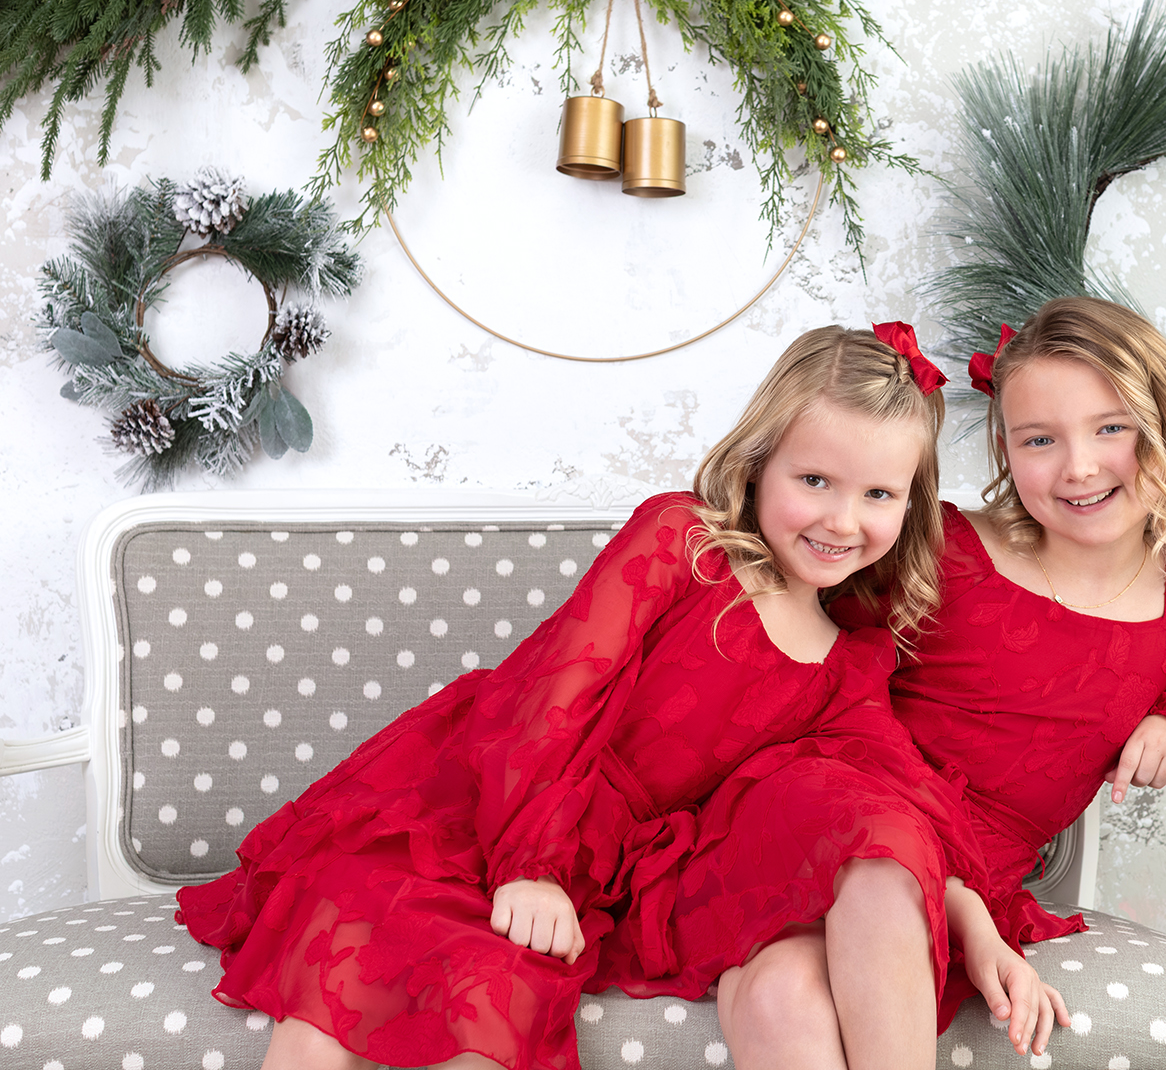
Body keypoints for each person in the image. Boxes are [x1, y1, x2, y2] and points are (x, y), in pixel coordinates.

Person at [176, 323, 1007, 1070]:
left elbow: (897, 791)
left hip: (594, 880)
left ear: (911, 505)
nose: (841, 519)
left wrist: (975, 914)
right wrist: (532, 866)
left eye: (877, 495)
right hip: (486, 797)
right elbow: (561, 688)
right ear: (758, 466)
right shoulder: (683, 543)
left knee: (489, 1014)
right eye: (817, 479)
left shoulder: (844, 666)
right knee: (334, 992)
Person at [736, 295, 1166, 1048]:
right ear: (1007, 453)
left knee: (784, 994)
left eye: (1111, 428)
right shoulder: (945, 549)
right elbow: (815, 667)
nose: (1079, 466)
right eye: (1040, 439)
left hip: (970, 879)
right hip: (839, 827)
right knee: (860, 899)